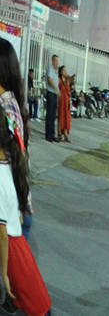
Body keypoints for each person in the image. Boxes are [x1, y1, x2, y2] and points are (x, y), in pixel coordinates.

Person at [0, 114, 51, 316]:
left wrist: (4, 274)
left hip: (12, 250)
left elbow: (2, 235)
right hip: (18, 244)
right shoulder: (9, 163)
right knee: (36, 301)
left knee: (36, 306)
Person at [44, 55, 59, 142]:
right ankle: (48, 135)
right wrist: (56, 89)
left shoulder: (55, 70)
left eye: (58, 61)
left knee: (53, 115)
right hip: (51, 93)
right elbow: (49, 80)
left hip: (54, 94)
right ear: (52, 61)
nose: (57, 62)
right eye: (56, 60)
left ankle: (52, 135)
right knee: (49, 115)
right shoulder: (50, 68)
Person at [57, 66, 71, 143]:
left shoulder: (67, 80)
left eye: (66, 70)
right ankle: (59, 134)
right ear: (61, 72)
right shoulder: (58, 80)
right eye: (64, 70)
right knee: (61, 117)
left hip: (67, 101)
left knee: (67, 118)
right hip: (61, 101)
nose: (65, 72)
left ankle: (66, 134)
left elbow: (69, 91)